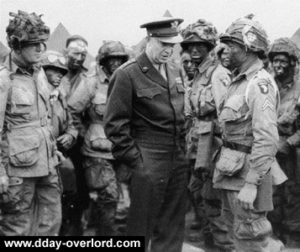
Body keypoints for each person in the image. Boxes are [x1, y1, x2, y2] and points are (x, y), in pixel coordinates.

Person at [104, 15, 188, 252]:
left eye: (172, 46)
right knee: (140, 226)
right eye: (163, 44)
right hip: (147, 155)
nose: (168, 50)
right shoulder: (127, 74)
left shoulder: (175, 70)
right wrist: (138, 162)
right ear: (149, 39)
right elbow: (114, 125)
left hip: (177, 156)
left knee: (172, 225)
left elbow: (181, 113)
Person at [213, 16, 285, 251]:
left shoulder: (259, 84)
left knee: (252, 238)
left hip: (246, 177)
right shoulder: (238, 81)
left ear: (248, 48)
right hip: (231, 172)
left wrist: (252, 184)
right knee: (239, 235)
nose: (225, 51)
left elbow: (267, 138)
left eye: (232, 46)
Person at [0, 10, 61, 235]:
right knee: (17, 229)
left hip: (47, 165)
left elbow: (43, 119)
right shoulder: (3, 78)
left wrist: (52, 148)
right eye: (33, 44)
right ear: (16, 45)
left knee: (51, 224)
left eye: (42, 44)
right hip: (17, 171)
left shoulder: (39, 74)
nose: (40, 49)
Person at [182, 19, 233, 251]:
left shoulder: (218, 74)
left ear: (210, 46)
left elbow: (226, 116)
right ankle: (211, 242)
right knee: (197, 194)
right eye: (189, 45)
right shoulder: (198, 76)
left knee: (212, 201)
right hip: (197, 147)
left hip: (213, 149)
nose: (194, 49)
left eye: (200, 45)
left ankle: (223, 245)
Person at [68, 40, 129, 235]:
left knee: (122, 200)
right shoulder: (91, 82)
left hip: (123, 148)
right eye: (111, 59)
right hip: (97, 151)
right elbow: (72, 110)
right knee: (108, 196)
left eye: (119, 59)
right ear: (103, 61)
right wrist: (83, 133)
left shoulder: (127, 81)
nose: (115, 63)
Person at [41, 50, 78, 235]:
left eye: (61, 73)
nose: (59, 76)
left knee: (68, 192)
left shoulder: (60, 97)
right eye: (54, 71)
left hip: (57, 156)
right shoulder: (39, 96)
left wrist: (71, 135)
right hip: (39, 155)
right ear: (42, 71)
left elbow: (72, 124)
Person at [267, 37, 300, 247]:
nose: (278, 65)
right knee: (272, 194)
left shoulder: (298, 89)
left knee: (293, 195)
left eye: (282, 60)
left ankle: (294, 237)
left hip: (293, 153)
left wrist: (289, 143)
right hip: (269, 151)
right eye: (275, 60)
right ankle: (274, 233)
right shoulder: (267, 85)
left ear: (292, 62)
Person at [60, 35, 90, 235]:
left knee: (80, 184)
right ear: (65, 53)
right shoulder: (51, 72)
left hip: (79, 140)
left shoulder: (89, 78)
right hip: (55, 137)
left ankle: (75, 224)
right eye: (75, 53)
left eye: (83, 54)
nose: (79, 58)